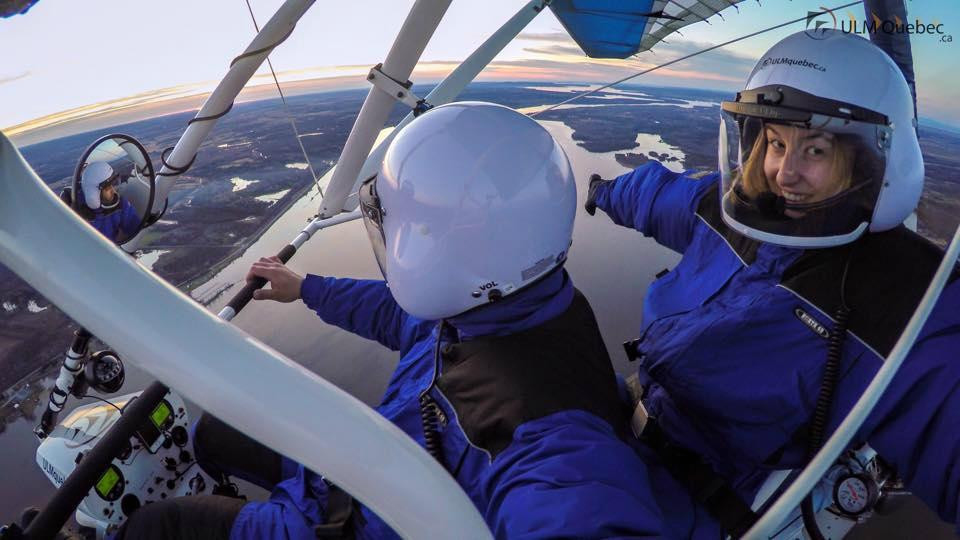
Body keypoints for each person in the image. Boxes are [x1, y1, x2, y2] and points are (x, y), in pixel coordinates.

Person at [114, 102, 665, 539]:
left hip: (335, 523)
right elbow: (399, 316)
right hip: (361, 463)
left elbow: (580, 508)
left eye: (414, 229)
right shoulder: (510, 301)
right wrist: (305, 288)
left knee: (155, 527)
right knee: (213, 431)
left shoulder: (552, 445)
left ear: (461, 240)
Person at [585, 29, 960, 537]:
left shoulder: (906, 301)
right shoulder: (737, 213)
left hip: (705, 504)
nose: (784, 173)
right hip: (635, 420)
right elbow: (657, 195)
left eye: (816, 150)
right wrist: (599, 192)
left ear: (868, 164)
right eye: (777, 144)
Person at [80, 160, 140, 243]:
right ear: (94, 194)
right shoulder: (77, 215)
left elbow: (134, 227)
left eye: (113, 184)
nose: (113, 191)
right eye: (108, 188)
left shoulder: (119, 204)